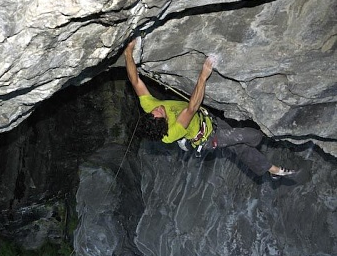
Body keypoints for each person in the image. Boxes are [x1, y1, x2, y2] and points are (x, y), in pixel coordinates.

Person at [124, 39, 297, 179]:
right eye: (162, 114)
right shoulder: (171, 133)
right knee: (252, 136)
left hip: (208, 118)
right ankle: (266, 152)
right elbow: (192, 107)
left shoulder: (150, 106)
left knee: (240, 147)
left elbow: (135, 80)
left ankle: (272, 170)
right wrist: (203, 75)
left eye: (156, 111)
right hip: (208, 137)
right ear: (165, 125)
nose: (160, 108)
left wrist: (128, 51)